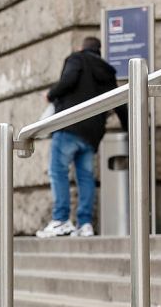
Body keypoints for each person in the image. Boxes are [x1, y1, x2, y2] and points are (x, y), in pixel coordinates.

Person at [37, 37, 119, 238]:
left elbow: (69, 80)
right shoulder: (108, 73)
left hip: (69, 125)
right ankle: (85, 224)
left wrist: (51, 94)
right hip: (91, 134)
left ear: (83, 48)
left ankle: (61, 220)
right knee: (85, 178)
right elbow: (118, 103)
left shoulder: (77, 59)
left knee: (58, 172)